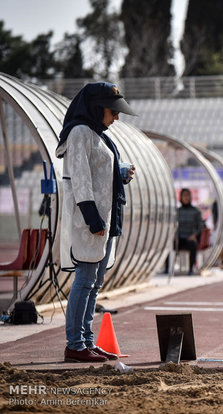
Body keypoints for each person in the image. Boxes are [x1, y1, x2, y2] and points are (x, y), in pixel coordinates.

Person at [56, 82, 137, 363]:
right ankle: (75, 344)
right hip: (91, 221)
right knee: (85, 280)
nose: (116, 117)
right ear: (95, 107)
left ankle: (87, 341)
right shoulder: (80, 133)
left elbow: (99, 171)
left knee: (95, 282)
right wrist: (92, 218)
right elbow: (80, 179)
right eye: (112, 111)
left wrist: (121, 171)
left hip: (105, 219)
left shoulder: (98, 134)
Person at [174, 188, 205, 275]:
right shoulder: (177, 211)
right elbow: (173, 226)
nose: (186, 197)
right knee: (168, 245)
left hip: (190, 238)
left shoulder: (196, 211)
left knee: (192, 245)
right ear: (180, 197)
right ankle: (167, 268)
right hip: (180, 238)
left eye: (187, 195)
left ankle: (190, 268)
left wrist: (195, 235)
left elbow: (200, 226)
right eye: (184, 195)